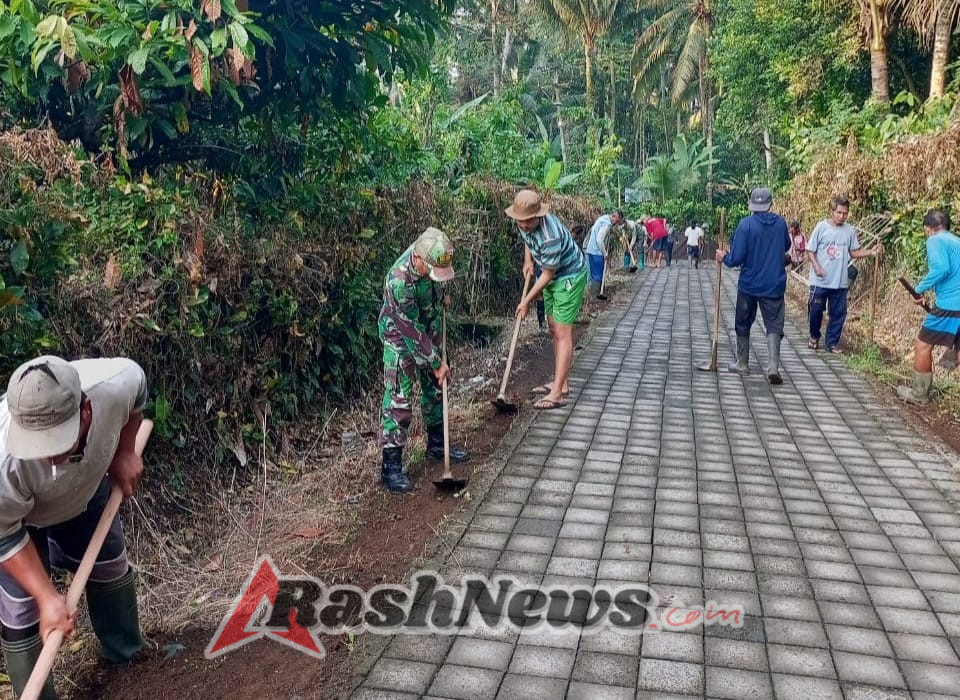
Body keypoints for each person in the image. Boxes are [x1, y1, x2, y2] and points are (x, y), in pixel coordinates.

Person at [0, 355, 149, 699]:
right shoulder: (4, 460)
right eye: (37, 446)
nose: (48, 457)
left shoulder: (115, 385)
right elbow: (4, 535)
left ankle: (130, 666)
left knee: (109, 566)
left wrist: (125, 451)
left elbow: (138, 395)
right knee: (23, 606)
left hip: (85, 490)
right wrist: (46, 596)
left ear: (86, 411)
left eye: (56, 442)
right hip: (15, 520)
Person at [378, 228, 469, 493]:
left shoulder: (433, 250)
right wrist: (436, 361)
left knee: (436, 385)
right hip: (400, 335)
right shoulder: (398, 283)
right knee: (399, 397)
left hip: (427, 326)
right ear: (417, 259)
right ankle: (391, 468)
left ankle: (437, 445)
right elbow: (412, 333)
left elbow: (439, 278)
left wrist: (442, 296)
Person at [505, 190, 588, 410]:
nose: (524, 225)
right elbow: (528, 240)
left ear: (538, 216)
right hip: (550, 273)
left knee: (562, 332)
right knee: (553, 326)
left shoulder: (550, 236)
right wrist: (528, 261)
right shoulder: (524, 222)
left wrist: (526, 301)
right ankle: (562, 383)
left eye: (528, 221)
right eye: (520, 221)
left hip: (568, 277)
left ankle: (557, 394)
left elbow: (548, 275)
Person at [715, 187, 792, 384]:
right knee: (774, 324)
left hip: (749, 284)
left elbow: (736, 258)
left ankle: (742, 363)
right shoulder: (781, 224)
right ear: (770, 204)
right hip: (773, 284)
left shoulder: (745, 225)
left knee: (743, 322)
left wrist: (724, 257)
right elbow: (786, 246)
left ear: (751, 205)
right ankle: (773, 367)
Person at [897, 209, 960, 404]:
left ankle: (919, 395)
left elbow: (941, 269)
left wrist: (919, 289)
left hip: (950, 305)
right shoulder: (956, 241)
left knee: (923, 345)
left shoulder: (935, 240)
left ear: (928, 228)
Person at [806, 196, 883, 353]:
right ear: (832, 211)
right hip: (820, 280)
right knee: (815, 310)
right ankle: (814, 336)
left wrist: (871, 252)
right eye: (839, 212)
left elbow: (853, 252)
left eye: (845, 213)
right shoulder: (821, 227)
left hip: (839, 281)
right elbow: (810, 250)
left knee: (838, 313)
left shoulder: (849, 231)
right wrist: (816, 267)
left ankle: (831, 343)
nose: (842, 216)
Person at [585, 209, 624, 297]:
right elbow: (599, 240)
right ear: (614, 217)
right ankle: (595, 295)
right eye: (617, 221)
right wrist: (605, 253)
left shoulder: (603, 219)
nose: (616, 224)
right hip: (597, 252)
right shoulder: (606, 224)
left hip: (592, 250)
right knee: (597, 275)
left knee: (594, 274)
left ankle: (593, 293)